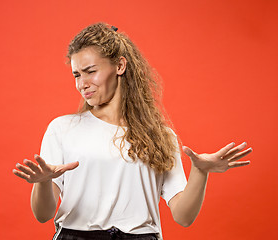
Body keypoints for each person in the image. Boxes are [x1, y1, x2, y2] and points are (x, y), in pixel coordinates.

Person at [13, 23, 252, 240]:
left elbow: (183, 216)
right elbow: (43, 215)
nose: (82, 83)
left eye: (90, 71)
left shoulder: (160, 135)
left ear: (119, 65)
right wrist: (43, 182)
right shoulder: (62, 129)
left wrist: (200, 171)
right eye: (77, 74)